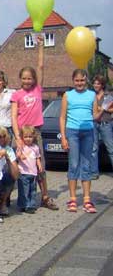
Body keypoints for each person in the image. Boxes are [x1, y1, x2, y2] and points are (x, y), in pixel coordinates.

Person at [11, 35, 58, 211]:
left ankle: (44, 196)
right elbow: (14, 116)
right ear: (20, 79)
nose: (27, 81)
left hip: (35, 132)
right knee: (16, 166)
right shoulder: (16, 95)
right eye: (24, 78)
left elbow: (40, 66)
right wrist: (18, 138)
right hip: (22, 133)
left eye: (30, 78)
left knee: (40, 166)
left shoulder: (38, 90)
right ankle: (8, 197)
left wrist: (40, 46)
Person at [60, 69, 98, 213]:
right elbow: (62, 117)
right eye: (77, 80)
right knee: (74, 164)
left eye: (82, 80)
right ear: (73, 81)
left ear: (86, 80)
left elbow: (94, 115)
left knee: (87, 165)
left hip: (88, 132)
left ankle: (87, 200)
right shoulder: (67, 95)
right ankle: (73, 199)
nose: (79, 83)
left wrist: (104, 110)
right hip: (72, 131)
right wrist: (63, 137)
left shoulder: (92, 95)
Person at [90, 74, 113, 179]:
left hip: (105, 123)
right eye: (94, 83)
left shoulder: (108, 96)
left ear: (102, 85)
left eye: (98, 83)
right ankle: (94, 173)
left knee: (111, 148)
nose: (96, 85)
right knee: (94, 148)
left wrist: (103, 109)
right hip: (94, 123)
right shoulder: (91, 96)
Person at [16, 126, 42, 214]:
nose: (28, 139)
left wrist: (39, 165)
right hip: (23, 172)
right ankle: (23, 205)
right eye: (26, 137)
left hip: (33, 173)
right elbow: (17, 155)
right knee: (24, 190)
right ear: (22, 137)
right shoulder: (22, 147)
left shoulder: (35, 147)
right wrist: (20, 156)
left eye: (30, 137)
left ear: (33, 137)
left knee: (33, 190)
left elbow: (38, 157)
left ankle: (31, 205)